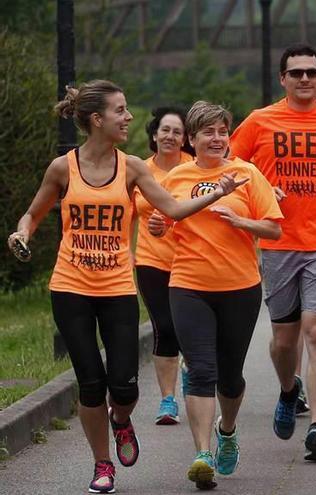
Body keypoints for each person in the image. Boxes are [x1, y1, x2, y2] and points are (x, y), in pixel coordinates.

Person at [7, 81, 246, 494]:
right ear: (97, 120)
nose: (129, 118)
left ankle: (121, 420)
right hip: (70, 286)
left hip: (117, 286)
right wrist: (21, 234)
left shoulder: (133, 168)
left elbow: (171, 208)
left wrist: (217, 195)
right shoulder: (63, 168)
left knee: (124, 386)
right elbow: (33, 214)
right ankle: (102, 464)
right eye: (121, 111)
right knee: (90, 384)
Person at [230, 42, 316, 462]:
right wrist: (260, 189)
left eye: (311, 72)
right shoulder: (260, 121)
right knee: (283, 340)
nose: (304, 79)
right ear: (283, 79)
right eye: (296, 73)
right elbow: (231, 165)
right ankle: (290, 390)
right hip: (278, 240)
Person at [151, 101, 283, 490]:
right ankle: (202, 453)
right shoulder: (177, 177)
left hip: (240, 286)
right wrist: (159, 226)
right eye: (208, 132)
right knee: (201, 371)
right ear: (191, 139)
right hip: (189, 284)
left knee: (229, 376)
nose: (217, 138)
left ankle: (227, 430)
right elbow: (165, 224)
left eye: (222, 131)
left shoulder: (246, 173)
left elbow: (274, 230)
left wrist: (243, 221)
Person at [134, 106, 195, 426]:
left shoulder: (194, 168)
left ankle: (191, 374)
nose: (170, 136)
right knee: (165, 328)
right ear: (154, 134)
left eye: (177, 132)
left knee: (189, 329)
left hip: (191, 259)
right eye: (165, 130)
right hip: (151, 260)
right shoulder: (139, 171)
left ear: (186, 139)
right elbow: (126, 215)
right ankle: (168, 400)